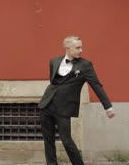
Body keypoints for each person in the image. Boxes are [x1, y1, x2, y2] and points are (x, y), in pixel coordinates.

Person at [38, 36, 115, 165]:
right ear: (68, 48)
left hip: (64, 108)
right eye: (78, 47)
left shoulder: (85, 65)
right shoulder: (54, 61)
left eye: (81, 47)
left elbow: (96, 85)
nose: (81, 50)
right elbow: (54, 82)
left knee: (67, 140)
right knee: (48, 140)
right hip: (47, 105)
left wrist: (108, 107)